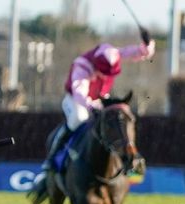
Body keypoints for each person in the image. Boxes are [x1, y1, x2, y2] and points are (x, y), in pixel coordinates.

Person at [41, 34, 155, 174]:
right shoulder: (82, 67)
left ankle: (127, 159)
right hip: (76, 100)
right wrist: (93, 106)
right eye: (104, 73)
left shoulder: (113, 53)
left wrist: (147, 47)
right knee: (78, 118)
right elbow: (80, 94)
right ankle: (53, 156)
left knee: (117, 119)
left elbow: (135, 52)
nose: (106, 76)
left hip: (99, 100)